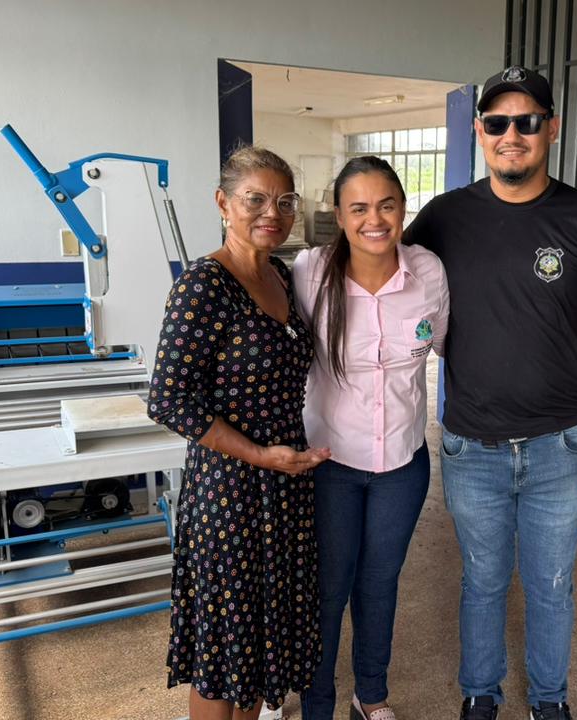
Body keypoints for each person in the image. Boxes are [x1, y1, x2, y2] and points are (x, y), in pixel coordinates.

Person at [403, 66, 577, 720]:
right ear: (480, 132)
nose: (512, 135)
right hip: (470, 445)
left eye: (527, 121)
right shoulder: (443, 219)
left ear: (551, 129)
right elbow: (393, 296)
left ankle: (549, 701)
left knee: (553, 586)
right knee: (480, 582)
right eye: (498, 122)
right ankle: (480, 696)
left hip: (560, 446)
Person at [147, 145, 330, 720]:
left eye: (283, 200)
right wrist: (258, 454)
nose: (270, 212)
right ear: (223, 203)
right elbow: (168, 398)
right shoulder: (204, 286)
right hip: (230, 490)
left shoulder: (280, 275)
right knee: (226, 649)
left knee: (258, 647)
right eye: (255, 198)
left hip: (285, 486)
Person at [292, 156, 449, 720]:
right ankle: (316, 704)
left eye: (387, 205)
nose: (374, 219)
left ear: (403, 209)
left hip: (403, 463)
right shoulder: (308, 272)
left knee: (380, 583)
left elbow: (446, 346)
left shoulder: (428, 271)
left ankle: (371, 695)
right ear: (339, 214)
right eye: (358, 207)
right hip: (330, 461)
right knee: (329, 590)